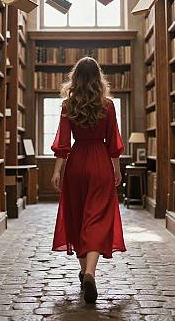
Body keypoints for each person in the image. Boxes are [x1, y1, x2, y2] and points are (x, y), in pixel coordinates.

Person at [50, 56, 127, 303]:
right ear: (98, 78)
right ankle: (91, 273)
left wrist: (56, 171)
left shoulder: (67, 105)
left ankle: (84, 272)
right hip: (101, 163)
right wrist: (116, 169)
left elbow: (63, 143)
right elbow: (113, 142)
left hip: (76, 163)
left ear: (76, 78)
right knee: (97, 218)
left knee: (77, 217)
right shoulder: (108, 105)